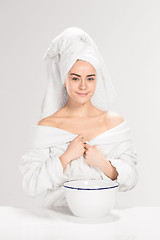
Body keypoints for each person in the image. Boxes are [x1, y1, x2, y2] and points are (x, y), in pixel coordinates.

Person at [19, 27, 138, 208]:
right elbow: (30, 184)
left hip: (101, 222)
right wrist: (65, 157)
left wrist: (104, 164)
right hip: (58, 222)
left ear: (97, 80)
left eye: (90, 78)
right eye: (75, 78)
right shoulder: (48, 126)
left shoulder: (113, 123)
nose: (83, 86)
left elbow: (132, 177)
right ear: (64, 80)